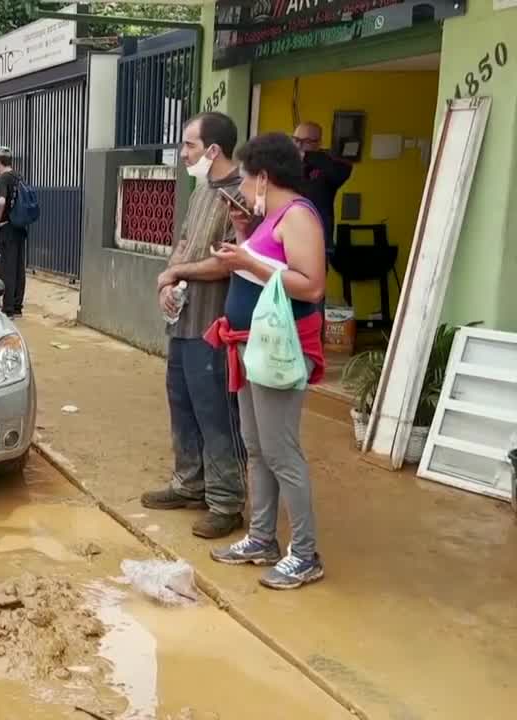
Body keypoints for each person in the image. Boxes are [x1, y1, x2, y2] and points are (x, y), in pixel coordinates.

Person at [205, 132, 328, 590]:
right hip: (251, 345)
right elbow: (263, 265)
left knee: (282, 452)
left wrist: (248, 261)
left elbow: (310, 284)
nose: (244, 186)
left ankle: (306, 552)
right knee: (256, 446)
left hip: (278, 347)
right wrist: (241, 238)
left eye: (248, 176)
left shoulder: (298, 216)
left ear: (265, 176)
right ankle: (261, 537)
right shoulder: (269, 216)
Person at [141, 112, 248, 539]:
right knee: (181, 403)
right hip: (183, 320)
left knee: (216, 412)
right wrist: (170, 278)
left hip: (215, 326)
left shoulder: (242, 196)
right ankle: (189, 483)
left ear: (213, 150)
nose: (183, 153)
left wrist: (175, 273)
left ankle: (226, 500)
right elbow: (184, 243)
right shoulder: (202, 190)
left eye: (189, 145)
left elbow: (228, 262)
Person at [292, 121, 352, 250]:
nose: (298, 145)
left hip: (317, 240)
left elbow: (343, 170)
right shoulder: (289, 163)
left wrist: (306, 156)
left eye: (305, 141)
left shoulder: (329, 164)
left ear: (318, 142)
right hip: (289, 235)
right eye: (295, 140)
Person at [0, 146, 26, 317]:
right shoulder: (18, 177)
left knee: (7, 268)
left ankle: (8, 308)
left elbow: (1, 202)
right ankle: (18, 306)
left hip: (7, 227)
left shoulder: (3, 179)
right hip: (20, 227)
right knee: (19, 267)